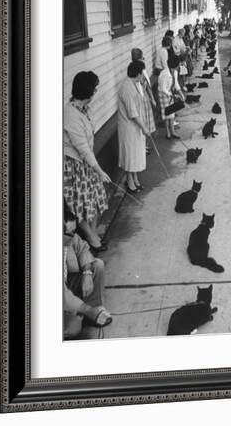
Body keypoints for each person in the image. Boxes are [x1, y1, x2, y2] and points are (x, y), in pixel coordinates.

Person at [64, 71, 110, 252]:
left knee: (97, 199)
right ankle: (92, 238)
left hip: (87, 163)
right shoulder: (70, 115)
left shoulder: (83, 109)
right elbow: (82, 148)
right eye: (95, 88)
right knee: (81, 205)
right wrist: (99, 170)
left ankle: (93, 233)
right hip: (75, 166)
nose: (96, 91)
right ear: (87, 90)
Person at [63, 205, 112, 339]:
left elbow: (83, 248)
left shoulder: (70, 238)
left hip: (68, 281)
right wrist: (86, 310)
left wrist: (87, 273)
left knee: (98, 265)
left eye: (75, 232)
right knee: (73, 328)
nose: (74, 236)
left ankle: (94, 308)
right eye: (70, 233)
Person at [118, 61, 150, 193]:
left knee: (136, 154)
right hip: (129, 127)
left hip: (136, 126)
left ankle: (135, 178)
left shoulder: (135, 84)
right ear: (138, 73)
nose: (144, 75)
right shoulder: (126, 88)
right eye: (143, 73)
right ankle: (130, 182)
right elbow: (132, 113)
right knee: (130, 155)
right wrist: (144, 128)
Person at [131, 48, 156, 154]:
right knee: (142, 123)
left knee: (147, 122)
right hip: (139, 100)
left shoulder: (143, 69)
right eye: (141, 58)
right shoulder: (133, 70)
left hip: (145, 98)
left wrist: (152, 99)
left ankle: (145, 145)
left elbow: (148, 86)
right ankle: (142, 147)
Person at [158, 54, 185, 140]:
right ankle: (168, 132)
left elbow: (176, 84)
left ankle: (172, 131)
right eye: (178, 65)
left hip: (169, 93)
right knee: (167, 114)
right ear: (174, 66)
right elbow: (162, 88)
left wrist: (181, 94)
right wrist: (171, 94)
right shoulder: (164, 74)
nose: (179, 66)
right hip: (163, 94)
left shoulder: (175, 72)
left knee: (172, 114)